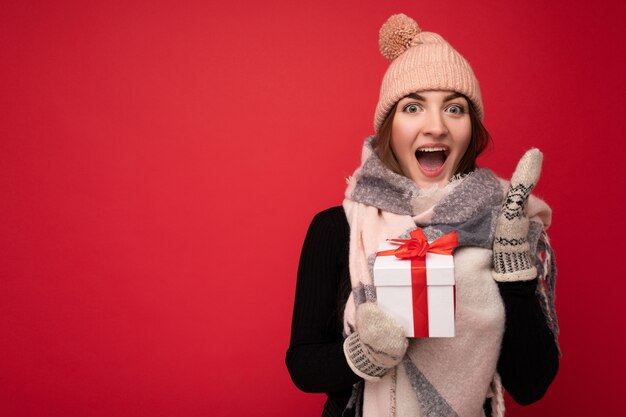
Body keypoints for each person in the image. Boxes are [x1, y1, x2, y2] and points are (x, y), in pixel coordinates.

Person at [286, 13, 559, 417]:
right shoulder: (338, 227)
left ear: (472, 129)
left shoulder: (508, 226)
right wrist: (365, 357)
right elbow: (303, 364)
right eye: (413, 107)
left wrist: (514, 269)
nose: (436, 126)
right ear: (389, 128)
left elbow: (531, 384)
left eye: (455, 109)